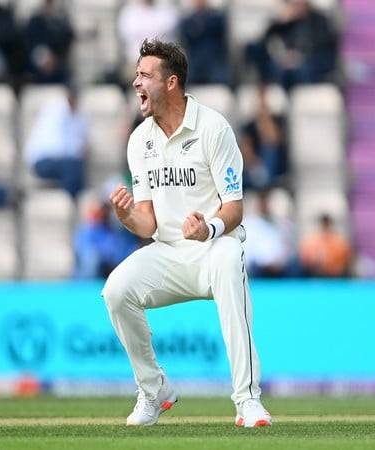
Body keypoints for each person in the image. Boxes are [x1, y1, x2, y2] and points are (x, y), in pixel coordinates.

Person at [103, 39, 272, 427]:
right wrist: (126, 216)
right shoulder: (139, 140)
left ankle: (247, 400)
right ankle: (154, 390)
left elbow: (234, 207)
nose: (136, 83)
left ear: (172, 82)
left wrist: (208, 228)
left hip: (213, 246)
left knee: (231, 258)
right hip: (168, 253)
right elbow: (147, 222)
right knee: (116, 290)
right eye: (136, 75)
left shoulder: (214, 128)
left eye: (145, 75)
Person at [244, 0, 337, 90]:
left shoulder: (319, 21)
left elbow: (326, 54)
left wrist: (301, 59)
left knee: (301, 72)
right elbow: (261, 49)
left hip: (309, 70)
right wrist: (277, 24)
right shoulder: (280, 24)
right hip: (281, 71)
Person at [25, 87, 88, 198]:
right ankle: (72, 201)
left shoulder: (77, 114)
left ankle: (73, 202)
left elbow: (82, 144)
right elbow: (61, 149)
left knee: (74, 165)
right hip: (42, 161)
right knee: (72, 166)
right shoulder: (55, 110)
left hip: (59, 161)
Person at [73, 191, 139, 279]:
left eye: (103, 209)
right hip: (93, 275)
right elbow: (87, 255)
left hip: (114, 272)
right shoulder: (85, 231)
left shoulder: (115, 229)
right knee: (92, 260)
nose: (99, 212)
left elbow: (123, 252)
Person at [117, 0, 179, 87]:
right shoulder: (129, 13)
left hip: (162, 60)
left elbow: (167, 33)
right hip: (135, 61)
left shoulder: (166, 10)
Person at [239, 85, 286, 191]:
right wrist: (255, 165)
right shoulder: (249, 126)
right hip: (251, 172)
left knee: (270, 149)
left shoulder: (277, 122)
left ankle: (263, 179)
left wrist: (264, 117)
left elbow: (273, 141)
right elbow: (245, 150)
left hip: (275, 172)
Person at [178, 0, 230, 85]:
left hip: (214, 58)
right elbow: (186, 39)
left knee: (219, 81)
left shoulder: (216, 17)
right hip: (195, 59)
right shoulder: (188, 20)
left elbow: (221, 36)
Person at [23, 0, 75, 84]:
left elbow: (66, 41)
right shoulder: (34, 22)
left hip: (57, 63)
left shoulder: (62, 22)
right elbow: (31, 44)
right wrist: (43, 58)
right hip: (37, 64)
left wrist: (54, 58)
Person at [299, 213, 351, 277]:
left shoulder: (339, 242)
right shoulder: (311, 242)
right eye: (324, 224)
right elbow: (305, 261)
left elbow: (345, 260)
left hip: (335, 276)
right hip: (315, 276)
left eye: (327, 224)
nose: (325, 226)